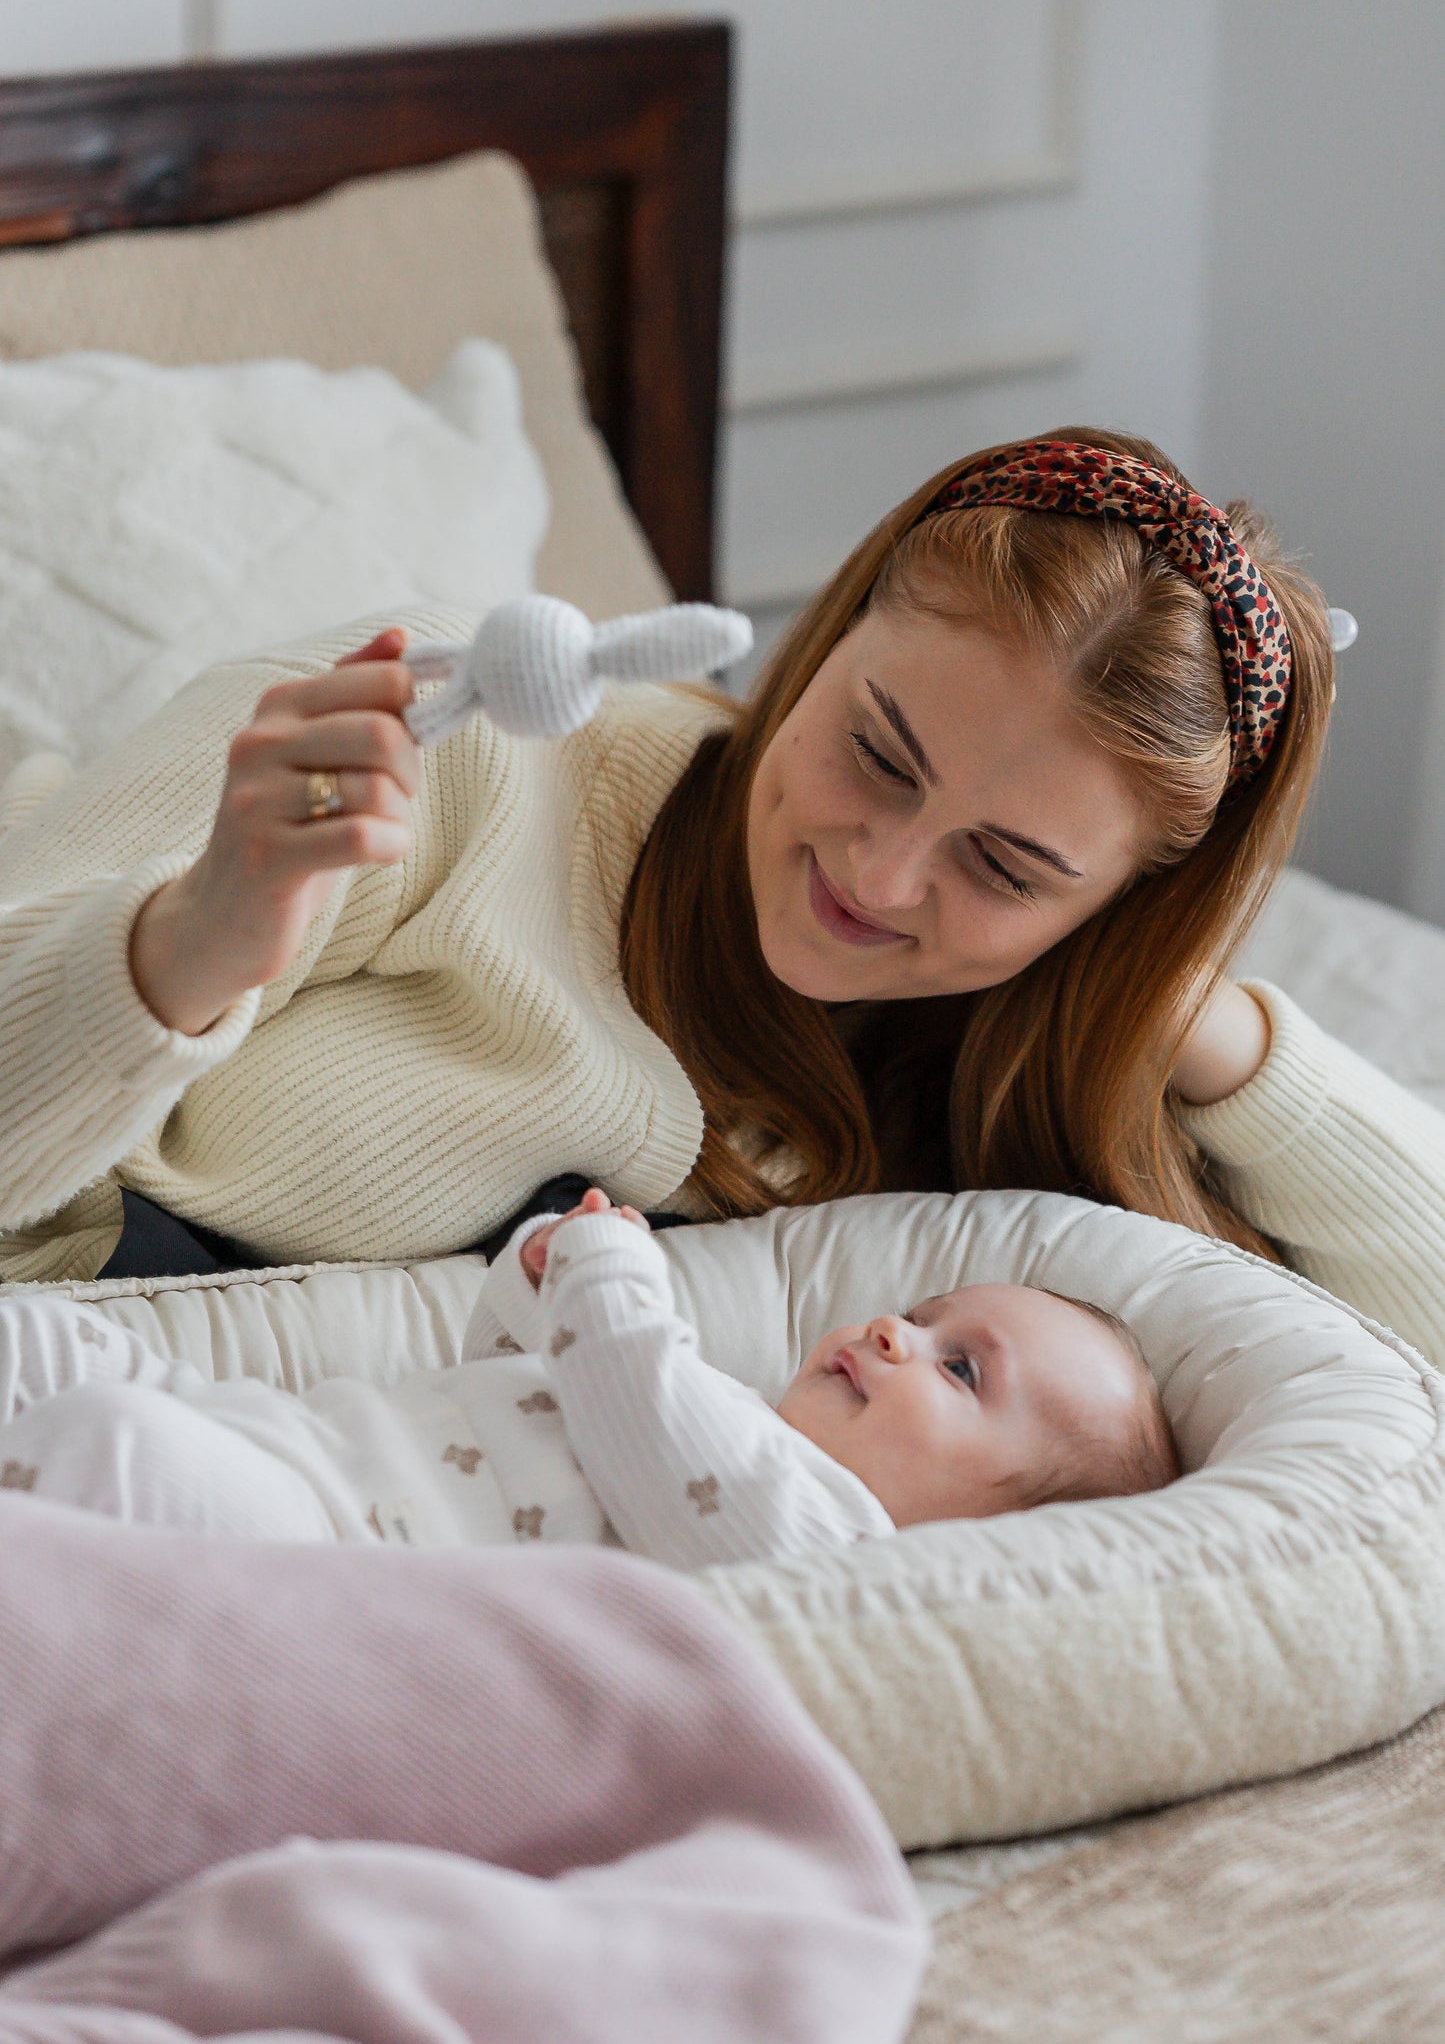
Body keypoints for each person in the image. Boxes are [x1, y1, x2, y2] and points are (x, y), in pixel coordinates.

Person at [1, 428, 1442, 1369]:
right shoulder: (459, 740)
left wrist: (1204, 1027)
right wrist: (181, 952)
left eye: (1006, 867)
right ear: (825, 636)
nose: (880, 877)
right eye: (875, 753)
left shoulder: (1011, 1081)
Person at [0, 1188, 1177, 1565]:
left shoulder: (814, 1540)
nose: (888, 1330)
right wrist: (539, 1267)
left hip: (316, 1548)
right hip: (270, 1429)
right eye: (922, 1317)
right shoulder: (700, 1396)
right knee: (50, 1341)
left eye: (957, 1367)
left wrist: (614, 1273)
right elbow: (505, 1372)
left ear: (981, 1532)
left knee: (117, 1445)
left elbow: (621, 1368)